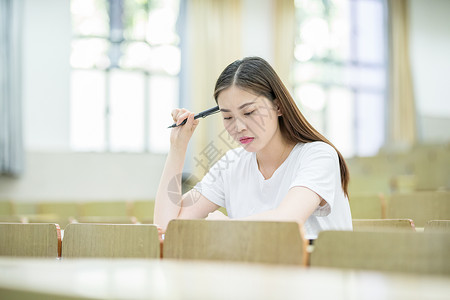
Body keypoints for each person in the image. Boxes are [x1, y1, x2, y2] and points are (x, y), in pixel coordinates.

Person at [154, 56, 352, 239]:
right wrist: (178, 146)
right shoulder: (230, 165)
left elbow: (288, 221)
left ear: (278, 106)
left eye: (249, 112)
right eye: (228, 117)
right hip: (256, 274)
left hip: (316, 275)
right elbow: (166, 226)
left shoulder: (318, 156)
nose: (238, 127)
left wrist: (228, 226)